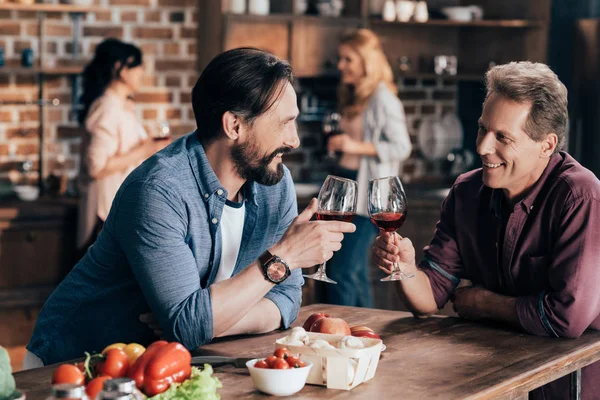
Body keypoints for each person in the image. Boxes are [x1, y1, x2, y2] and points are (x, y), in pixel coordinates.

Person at [24, 48, 355, 367]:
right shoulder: (157, 191)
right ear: (234, 126)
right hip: (75, 364)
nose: (294, 140)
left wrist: (214, 321)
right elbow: (190, 325)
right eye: (285, 123)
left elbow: (286, 301)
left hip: (162, 362)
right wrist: (283, 258)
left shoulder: (273, 184)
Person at [372, 61, 600, 399]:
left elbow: (565, 318)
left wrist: (483, 302)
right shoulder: (466, 192)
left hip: (565, 383)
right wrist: (406, 272)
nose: (482, 148)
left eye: (502, 137)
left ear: (547, 145)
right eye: (483, 129)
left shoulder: (579, 195)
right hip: (486, 376)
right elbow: (430, 298)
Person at [324, 29, 412, 307]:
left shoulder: (383, 98)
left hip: (366, 193)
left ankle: (341, 331)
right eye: (340, 59)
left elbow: (402, 146)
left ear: (366, 61)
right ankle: (364, 333)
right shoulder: (358, 95)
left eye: (347, 59)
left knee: (342, 270)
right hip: (349, 183)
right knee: (355, 271)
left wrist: (353, 146)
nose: (340, 66)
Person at [76, 38, 169, 256]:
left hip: (118, 207)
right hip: (103, 211)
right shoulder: (107, 108)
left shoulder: (122, 106)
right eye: (137, 66)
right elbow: (96, 167)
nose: (142, 71)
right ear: (121, 69)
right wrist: (145, 150)